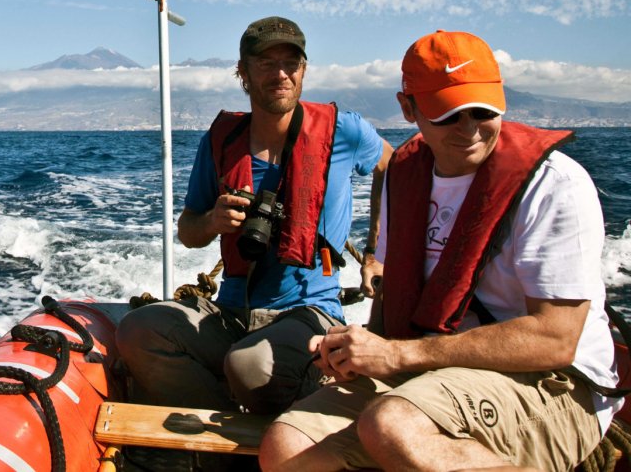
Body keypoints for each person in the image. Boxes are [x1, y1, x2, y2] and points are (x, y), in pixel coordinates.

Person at [259, 29, 622, 472]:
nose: (469, 128)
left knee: (394, 424)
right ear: (408, 109)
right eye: (449, 114)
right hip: (429, 371)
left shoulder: (554, 184)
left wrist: (397, 356)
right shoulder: (406, 175)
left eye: (482, 110)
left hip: (554, 385)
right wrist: (359, 353)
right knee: (286, 448)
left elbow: (556, 338)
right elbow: (393, 296)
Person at [116, 16, 393, 416]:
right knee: (139, 330)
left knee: (248, 365)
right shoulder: (222, 141)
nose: (280, 74)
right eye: (265, 63)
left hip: (309, 313)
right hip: (232, 312)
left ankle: (270, 421)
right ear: (242, 73)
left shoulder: (342, 131)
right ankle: (220, 449)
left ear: (304, 70)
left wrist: (375, 251)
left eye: (291, 63)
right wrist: (212, 221)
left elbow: (396, 167)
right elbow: (188, 232)